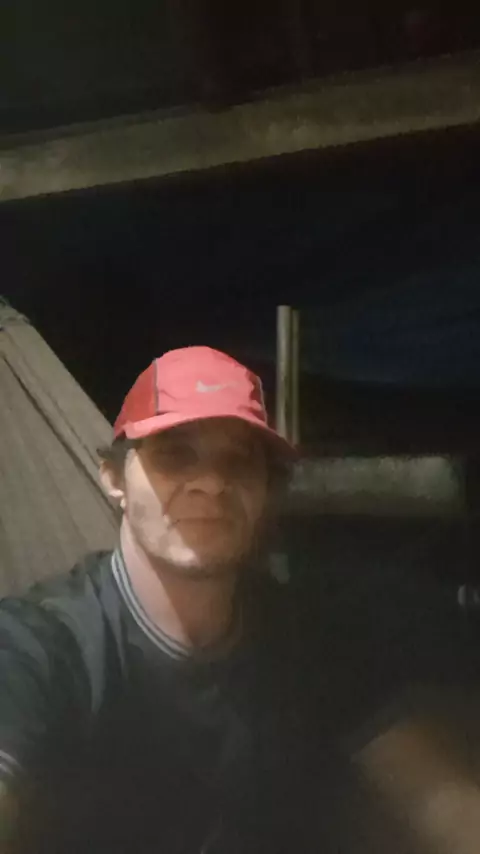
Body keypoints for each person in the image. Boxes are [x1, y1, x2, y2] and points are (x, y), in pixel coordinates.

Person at [0, 345, 320, 854]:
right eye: (174, 454)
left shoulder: (300, 636)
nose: (212, 483)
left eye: (239, 462)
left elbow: (422, 784)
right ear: (114, 479)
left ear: (266, 491)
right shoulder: (40, 644)